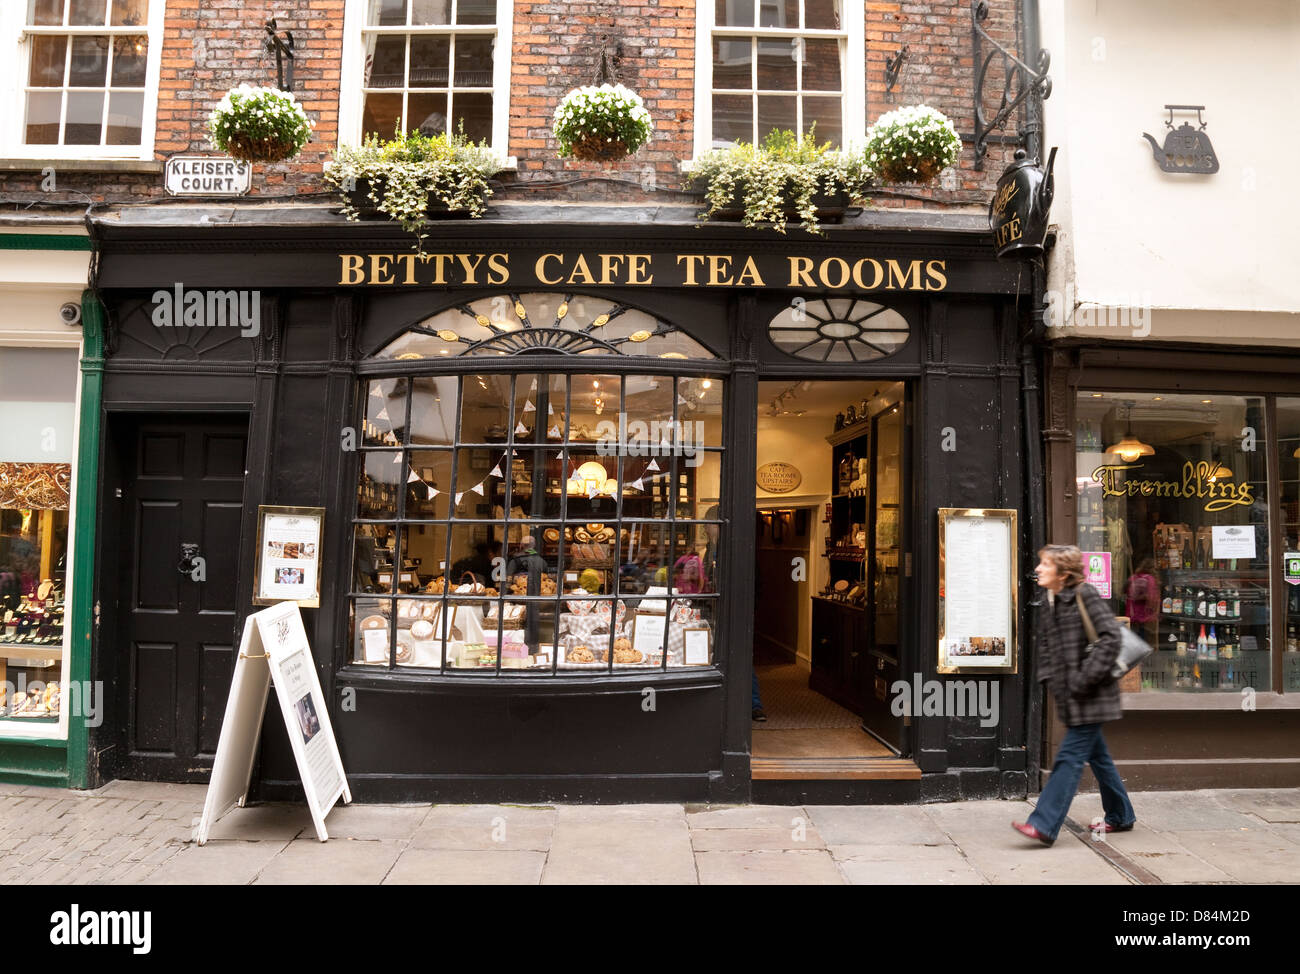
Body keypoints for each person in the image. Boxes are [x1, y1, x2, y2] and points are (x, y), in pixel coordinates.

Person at [1013, 544, 1136, 845]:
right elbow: (1045, 645)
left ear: (1064, 572)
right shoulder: (1050, 599)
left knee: (1068, 758)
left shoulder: (1085, 595)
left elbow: (1110, 639)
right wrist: (1048, 677)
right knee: (1099, 757)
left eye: (1045, 564)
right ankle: (1121, 815)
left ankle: (1043, 823)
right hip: (1071, 695)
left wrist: (1082, 680)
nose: (1038, 569)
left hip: (1091, 695)